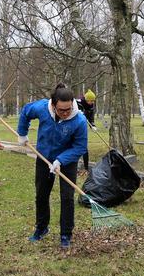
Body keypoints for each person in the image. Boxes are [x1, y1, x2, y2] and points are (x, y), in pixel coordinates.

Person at [17, 83, 88, 248]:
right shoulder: (42, 108)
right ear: (53, 105)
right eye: (61, 110)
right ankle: (41, 228)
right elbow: (26, 111)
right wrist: (22, 133)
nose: (65, 113)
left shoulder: (79, 120)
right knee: (41, 195)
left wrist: (61, 160)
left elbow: (80, 147)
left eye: (68, 109)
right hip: (44, 157)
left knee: (67, 197)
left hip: (67, 161)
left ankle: (66, 234)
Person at [75, 89, 97, 171]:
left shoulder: (91, 107)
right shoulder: (77, 102)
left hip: (83, 127)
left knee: (84, 148)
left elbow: (91, 118)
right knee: (74, 146)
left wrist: (93, 125)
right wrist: (77, 112)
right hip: (74, 126)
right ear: (86, 99)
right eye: (90, 101)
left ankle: (86, 168)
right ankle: (74, 166)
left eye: (92, 101)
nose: (91, 102)